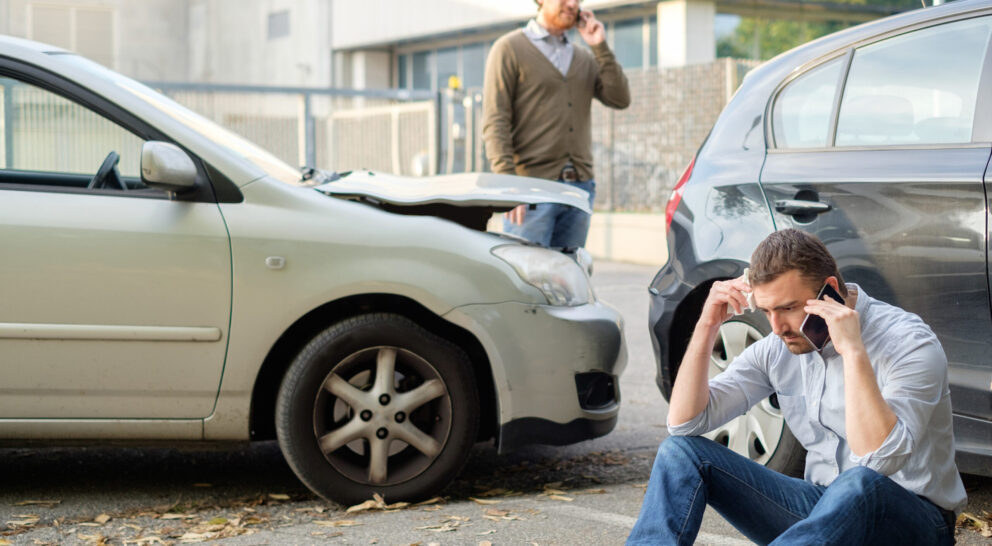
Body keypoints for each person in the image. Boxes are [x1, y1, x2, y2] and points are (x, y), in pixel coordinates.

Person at [628, 229, 966, 545]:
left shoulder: (908, 341)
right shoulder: (779, 347)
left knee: (858, 483)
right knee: (681, 452)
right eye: (766, 311)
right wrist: (707, 323)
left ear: (829, 290)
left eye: (788, 308)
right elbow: (685, 422)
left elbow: (878, 459)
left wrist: (852, 351)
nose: (777, 328)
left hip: (914, 522)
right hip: (822, 514)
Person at [482, 0, 629, 249]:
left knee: (566, 280)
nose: (572, 4)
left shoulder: (583, 57)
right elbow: (495, 121)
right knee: (526, 280)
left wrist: (599, 46)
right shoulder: (509, 48)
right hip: (530, 188)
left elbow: (620, 98)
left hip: (579, 189)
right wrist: (509, 185)